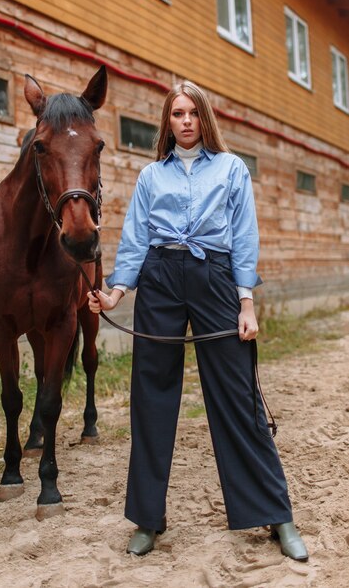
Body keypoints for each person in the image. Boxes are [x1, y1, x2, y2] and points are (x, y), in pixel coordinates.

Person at [88, 81, 308, 561]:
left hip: (215, 277)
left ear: (204, 118)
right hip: (161, 279)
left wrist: (245, 303)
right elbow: (136, 238)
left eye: (192, 113)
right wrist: (116, 292)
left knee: (238, 397)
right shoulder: (151, 177)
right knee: (151, 397)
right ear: (167, 122)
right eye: (176, 114)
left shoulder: (231, 170)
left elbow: (244, 238)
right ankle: (148, 519)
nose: (185, 121)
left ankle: (277, 514)